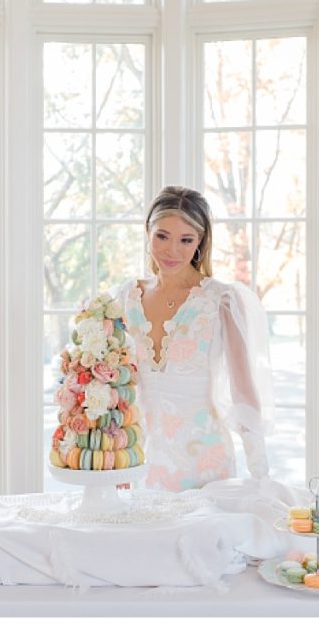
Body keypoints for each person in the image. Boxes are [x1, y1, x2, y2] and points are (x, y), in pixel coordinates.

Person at [109, 186, 274, 492]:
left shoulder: (221, 300)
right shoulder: (125, 297)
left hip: (205, 462)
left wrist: (259, 473)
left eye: (186, 240)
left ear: (200, 242)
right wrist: (112, 455)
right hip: (138, 461)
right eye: (162, 236)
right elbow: (117, 387)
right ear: (148, 231)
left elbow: (243, 389)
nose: (172, 250)